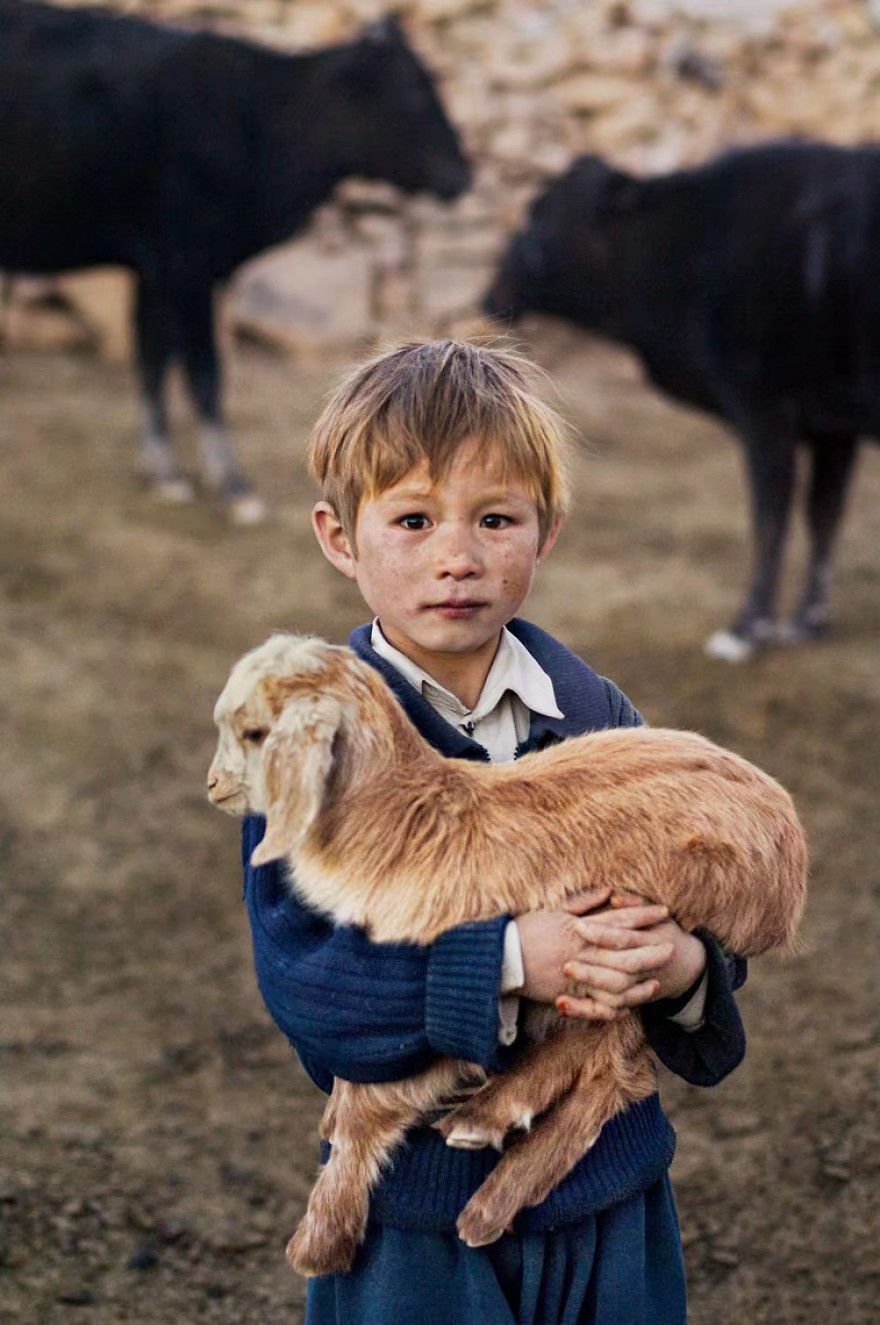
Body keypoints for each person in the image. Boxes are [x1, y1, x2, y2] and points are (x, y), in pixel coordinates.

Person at [241, 339, 747, 1325]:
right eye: (414, 518)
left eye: (495, 518)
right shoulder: (314, 748)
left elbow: (698, 916)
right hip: (417, 1227)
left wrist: (685, 967)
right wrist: (512, 957)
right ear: (340, 537)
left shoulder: (600, 716)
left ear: (545, 531)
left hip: (610, 1194)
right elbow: (312, 990)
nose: (457, 556)